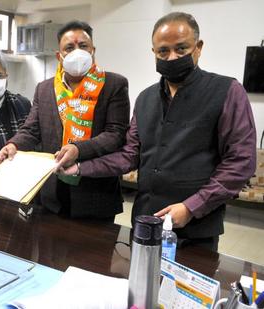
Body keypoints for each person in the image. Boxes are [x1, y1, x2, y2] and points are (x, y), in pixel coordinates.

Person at [56, 12, 256, 250]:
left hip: (196, 229)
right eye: (163, 51)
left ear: (198, 48)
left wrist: (192, 207)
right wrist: (80, 167)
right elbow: (129, 156)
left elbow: (241, 162)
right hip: (145, 222)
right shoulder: (145, 99)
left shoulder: (227, 91)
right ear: (154, 53)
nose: (172, 57)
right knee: (140, 285)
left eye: (181, 49)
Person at [0, 21, 130, 220]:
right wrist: (13, 144)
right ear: (60, 56)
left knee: (92, 251)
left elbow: (115, 135)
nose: (77, 51)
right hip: (51, 192)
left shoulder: (114, 84)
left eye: (83, 46)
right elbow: (32, 129)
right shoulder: (44, 88)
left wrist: (79, 149)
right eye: (69, 47)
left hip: (95, 194)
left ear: (93, 50)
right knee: (50, 249)